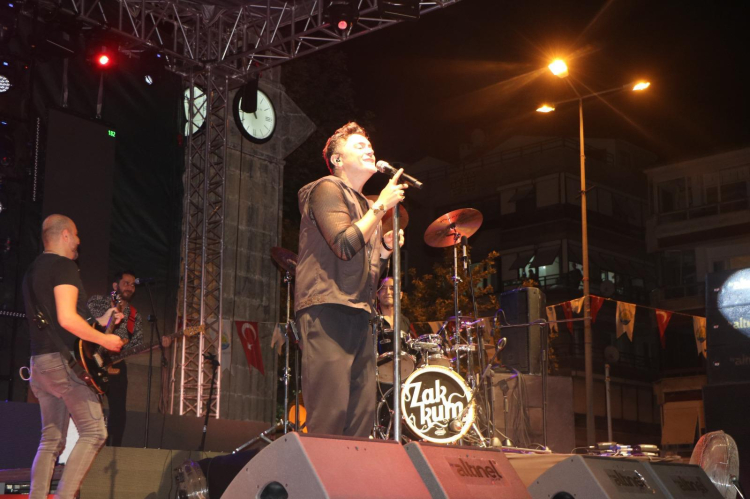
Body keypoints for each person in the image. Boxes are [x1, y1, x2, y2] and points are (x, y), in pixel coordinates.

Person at [294, 122, 406, 437]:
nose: (369, 149)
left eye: (369, 145)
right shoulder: (327, 188)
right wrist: (382, 205)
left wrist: (383, 251)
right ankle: (320, 470)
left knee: (361, 417)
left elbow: (366, 274)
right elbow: (344, 246)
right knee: (330, 414)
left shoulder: (367, 208)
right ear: (338, 159)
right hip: (326, 308)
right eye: (359, 146)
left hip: (360, 313)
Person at [22, 214, 124, 499]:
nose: (79, 241)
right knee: (94, 432)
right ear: (65, 235)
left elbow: (61, 321)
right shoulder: (64, 266)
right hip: (62, 365)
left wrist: (102, 321)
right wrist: (105, 339)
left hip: (39, 365)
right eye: (76, 234)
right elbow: (67, 319)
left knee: (51, 440)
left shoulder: (32, 272)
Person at [86, 271, 144, 447]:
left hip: (116, 364)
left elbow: (137, 342)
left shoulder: (134, 315)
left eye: (133, 285)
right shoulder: (97, 301)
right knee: (87, 405)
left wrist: (125, 345)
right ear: (115, 285)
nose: (130, 287)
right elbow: (86, 323)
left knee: (118, 411)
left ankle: (114, 448)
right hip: (90, 361)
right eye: (126, 283)